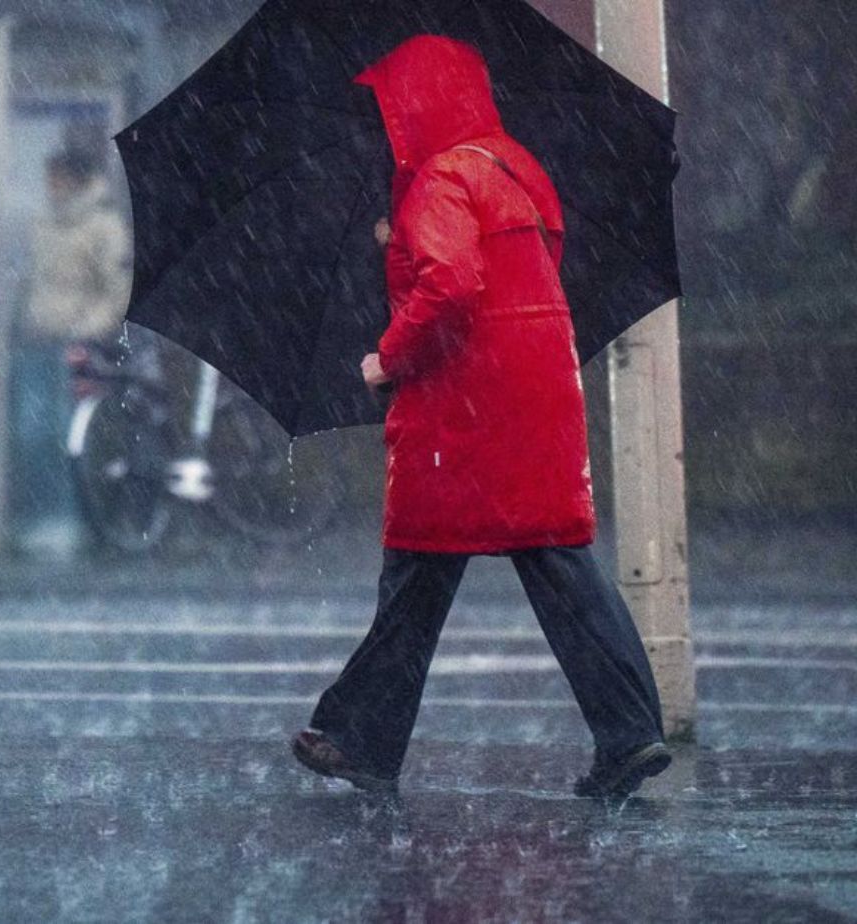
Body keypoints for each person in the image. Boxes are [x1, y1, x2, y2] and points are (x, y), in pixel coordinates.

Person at [290, 36, 670, 798]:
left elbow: (452, 287)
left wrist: (386, 357)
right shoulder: (514, 167)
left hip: (462, 406)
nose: (389, 129)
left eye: (394, 112)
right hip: (535, 390)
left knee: (419, 567)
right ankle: (631, 734)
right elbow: (522, 269)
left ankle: (361, 738)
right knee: (556, 560)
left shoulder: (439, 180)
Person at [18, 148, 133, 554]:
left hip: (77, 347)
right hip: (37, 342)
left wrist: (84, 331)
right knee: (32, 433)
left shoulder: (104, 225)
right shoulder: (41, 223)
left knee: (68, 433)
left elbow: (117, 290)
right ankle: (38, 515)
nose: (51, 187)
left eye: (58, 178)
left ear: (77, 179)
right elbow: (28, 279)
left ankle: (67, 518)